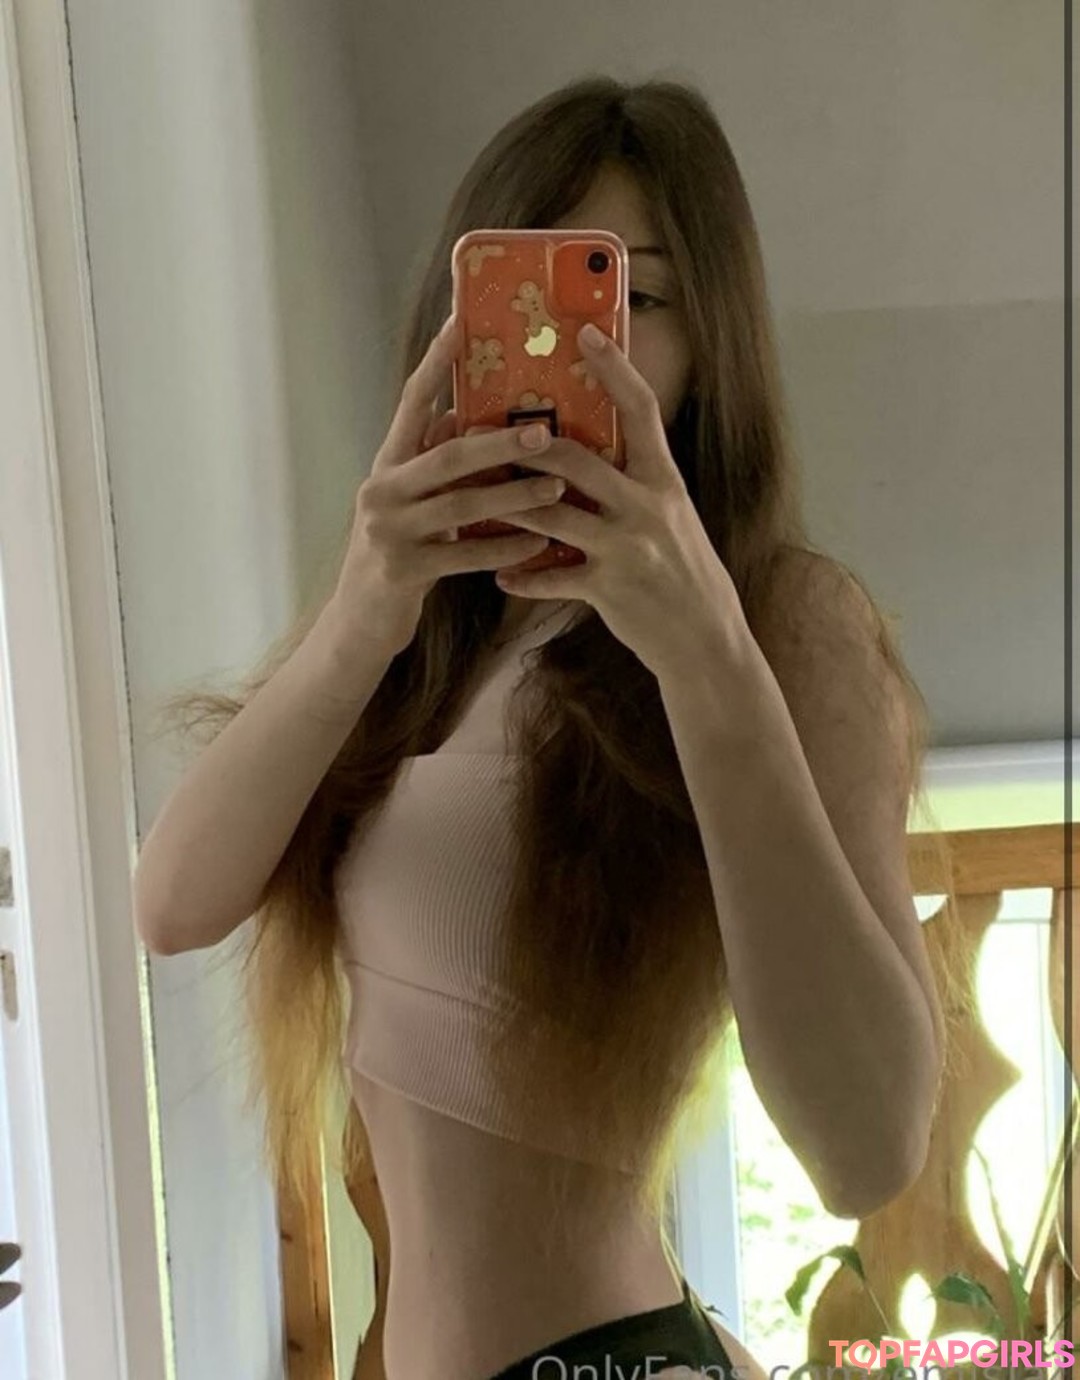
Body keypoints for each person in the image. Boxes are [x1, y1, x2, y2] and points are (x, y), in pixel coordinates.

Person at [137, 76, 952, 1380]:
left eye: (635, 298)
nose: (578, 348)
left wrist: (706, 658)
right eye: (532, 296)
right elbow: (173, 903)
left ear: (714, 343)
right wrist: (360, 614)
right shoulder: (420, 629)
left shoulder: (783, 617)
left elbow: (868, 1151)